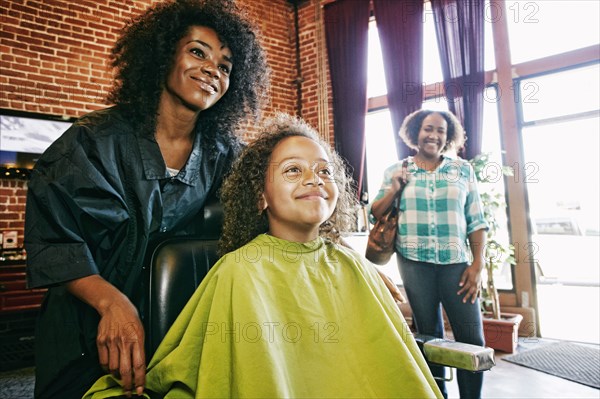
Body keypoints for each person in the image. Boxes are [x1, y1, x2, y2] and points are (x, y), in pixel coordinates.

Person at [83, 114, 442, 398]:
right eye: (292, 170)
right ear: (261, 197)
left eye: (324, 171)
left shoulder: (352, 266)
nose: (314, 179)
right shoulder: (239, 271)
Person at [24, 1, 269, 398]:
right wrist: (110, 304)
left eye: (224, 66)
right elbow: (55, 239)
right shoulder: (92, 141)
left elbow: (276, 212)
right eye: (197, 51)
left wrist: (340, 258)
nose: (212, 69)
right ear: (162, 55)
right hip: (86, 329)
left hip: (178, 328)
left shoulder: (229, 156)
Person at [370, 109, 488, 399]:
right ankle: (438, 395)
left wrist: (477, 265)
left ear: (448, 137)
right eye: (428, 128)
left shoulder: (462, 170)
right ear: (415, 132)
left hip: (457, 266)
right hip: (414, 263)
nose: (433, 135)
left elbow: (476, 221)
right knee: (429, 338)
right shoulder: (397, 170)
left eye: (440, 131)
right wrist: (395, 187)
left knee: (472, 338)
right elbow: (376, 213)